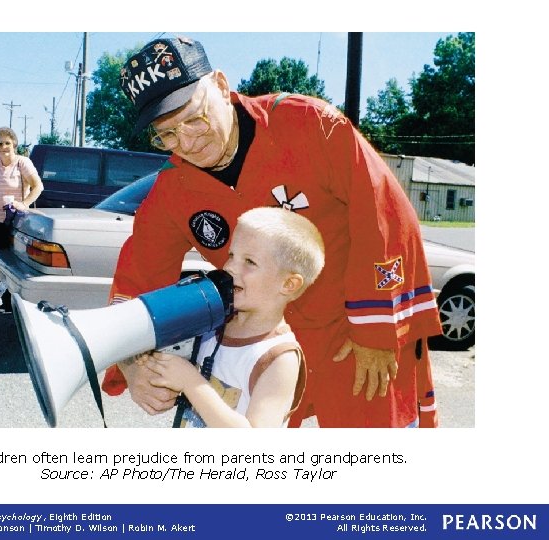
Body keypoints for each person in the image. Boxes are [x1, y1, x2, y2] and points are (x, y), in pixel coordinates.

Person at [102, 36, 441, 428]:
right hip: (265, 346)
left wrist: (378, 330)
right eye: (168, 135)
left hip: (352, 329)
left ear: (222, 87)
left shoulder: (309, 124)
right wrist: (130, 363)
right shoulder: (171, 190)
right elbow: (137, 275)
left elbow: (385, 213)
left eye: (194, 118)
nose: (187, 142)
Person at [145, 207, 325, 428]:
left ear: (288, 284)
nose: (230, 267)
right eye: (231, 255)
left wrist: (190, 381)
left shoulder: (279, 359)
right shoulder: (214, 325)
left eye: (250, 262)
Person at [0, 127, 43, 314]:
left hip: (17, 221)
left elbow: (38, 186)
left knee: (19, 264)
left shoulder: (23, 163)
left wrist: (25, 203)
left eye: (7, 142)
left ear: (14, 144)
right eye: (0, 143)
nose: (4, 147)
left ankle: (22, 305)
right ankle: (6, 303)